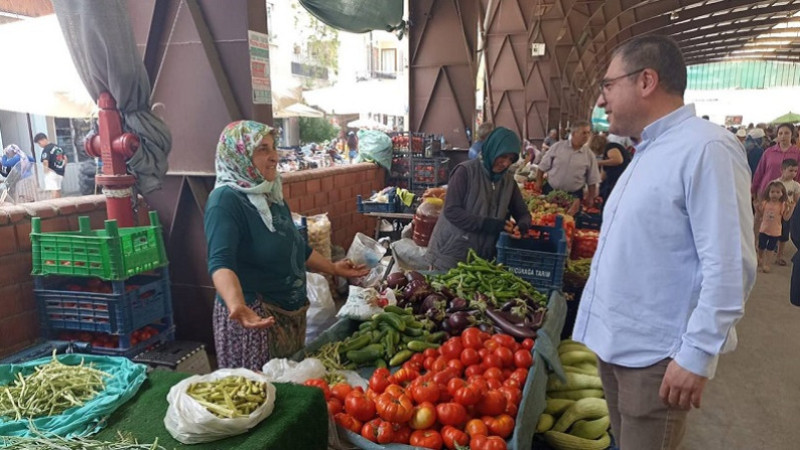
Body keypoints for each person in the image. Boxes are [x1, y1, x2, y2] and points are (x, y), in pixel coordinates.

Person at [573, 35, 757, 449]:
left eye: (607, 85)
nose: (602, 101)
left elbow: (729, 266)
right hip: (622, 346)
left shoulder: (706, 147)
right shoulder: (652, 150)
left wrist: (696, 354)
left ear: (646, 81)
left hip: (657, 359)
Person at [204, 120, 367, 371]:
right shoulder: (225, 200)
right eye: (262, 150)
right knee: (263, 396)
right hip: (256, 320)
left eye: (273, 148)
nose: (273, 157)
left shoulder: (270, 193)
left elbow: (297, 247)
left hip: (290, 316)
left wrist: (334, 268)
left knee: (290, 387)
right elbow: (220, 262)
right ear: (238, 155)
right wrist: (236, 303)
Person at [425, 127, 532, 271]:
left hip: (482, 259)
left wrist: (522, 226)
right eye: (503, 156)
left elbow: (523, 213)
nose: (506, 163)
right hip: (451, 254)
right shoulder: (465, 172)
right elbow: (452, 211)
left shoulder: (508, 181)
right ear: (492, 149)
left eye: (511, 159)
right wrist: (488, 224)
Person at [535, 120, 600, 204]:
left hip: (574, 196)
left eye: (588, 133)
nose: (587, 136)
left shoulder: (589, 155)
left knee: (570, 217)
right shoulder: (557, 147)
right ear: (573, 134)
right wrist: (538, 182)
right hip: (550, 191)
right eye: (583, 133)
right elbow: (542, 167)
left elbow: (592, 179)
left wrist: (590, 197)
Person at [752, 123, 800, 200]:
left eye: (786, 133)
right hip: (766, 193)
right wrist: (754, 190)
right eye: (780, 133)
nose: (783, 136)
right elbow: (759, 172)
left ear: (792, 135)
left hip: (788, 196)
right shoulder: (768, 152)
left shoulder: (797, 153)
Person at [756, 181, 792, 273]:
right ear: (768, 192)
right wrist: (757, 208)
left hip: (775, 232)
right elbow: (760, 215)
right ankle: (760, 257)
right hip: (764, 229)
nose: (775, 194)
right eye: (772, 192)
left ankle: (767, 264)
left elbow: (786, 218)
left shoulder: (782, 205)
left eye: (777, 192)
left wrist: (791, 209)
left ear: (782, 193)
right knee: (761, 246)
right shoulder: (765, 203)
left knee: (770, 248)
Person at [772, 159, 800, 266]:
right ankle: (770, 251)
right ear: (782, 170)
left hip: (788, 214)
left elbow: (797, 200)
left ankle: (779, 255)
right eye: (791, 170)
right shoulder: (775, 183)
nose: (793, 173)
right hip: (775, 213)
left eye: (795, 171)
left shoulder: (796, 186)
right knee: (772, 233)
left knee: (784, 236)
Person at [596, 135, 631, 201]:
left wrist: (598, 163)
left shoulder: (610, 147)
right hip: (614, 180)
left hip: (618, 179)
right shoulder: (606, 153)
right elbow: (603, 175)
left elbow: (618, 160)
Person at [34, 133, 67, 198]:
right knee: (58, 190)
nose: (40, 145)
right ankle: (60, 205)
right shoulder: (58, 147)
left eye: (39, 143)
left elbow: (45, 161)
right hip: (60, 172)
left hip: (52, 172)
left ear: (43, 140)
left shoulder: (46, 149)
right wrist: (63, 168)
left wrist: (46, 172)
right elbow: (65, 158)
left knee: (53, 192)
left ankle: (55, 206)